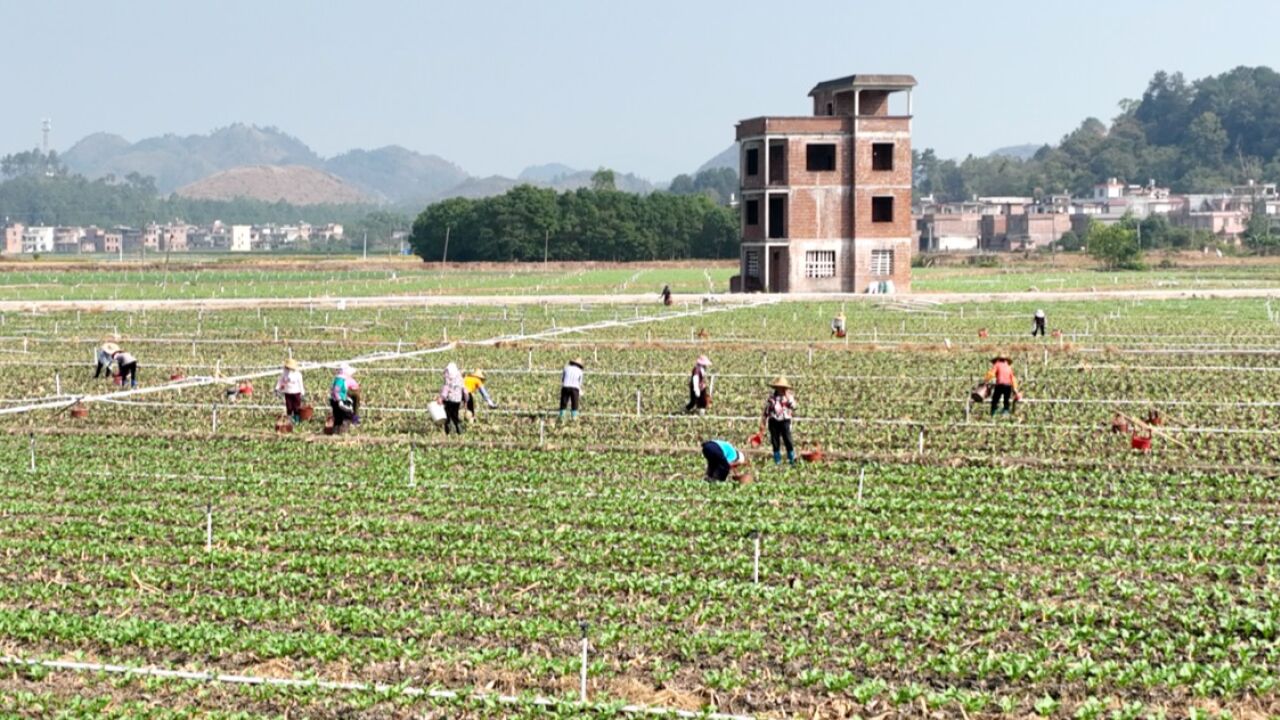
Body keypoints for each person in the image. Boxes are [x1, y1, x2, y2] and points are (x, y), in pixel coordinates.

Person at [760, 376, 797, 466]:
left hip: (785, 420)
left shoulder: (788, 397)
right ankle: (777, 460)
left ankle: (791, 459)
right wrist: (763, 421)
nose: (780, 388)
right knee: (775, 440)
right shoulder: (771, 397)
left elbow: (794, 407)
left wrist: (788, 398)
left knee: (787, 439)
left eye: (782, 387)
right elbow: (767, 410)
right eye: (778, 387)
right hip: (773, 421)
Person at [438, 362, 468, 435]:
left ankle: (448, 431)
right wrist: (466, 400)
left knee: (447, 416)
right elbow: (464, 390)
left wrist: (441, 398)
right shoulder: (459, 377)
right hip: (457, 400)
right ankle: (458, 429)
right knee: (455, 414)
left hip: (449, 400)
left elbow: (446, 388)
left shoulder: (448, 376)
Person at [329, 364, 358, 433]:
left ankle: (336, 431)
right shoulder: (340, 380)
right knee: (345, 416)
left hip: (337, 400)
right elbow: (336, 390)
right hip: (338, 401)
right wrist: (339, 400)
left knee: (338, 417)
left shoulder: (340, 379)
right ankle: (342, 430)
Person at [275, 358, 305, 425]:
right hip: (287, 392)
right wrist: (277, 388)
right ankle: (289, 420)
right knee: (289, 407)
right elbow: (280, 381)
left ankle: (297, 419)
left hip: (296, 392)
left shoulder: (298, 374)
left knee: (296, 407)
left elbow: (301, 384)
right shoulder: (284, 373)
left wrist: (302, 393)